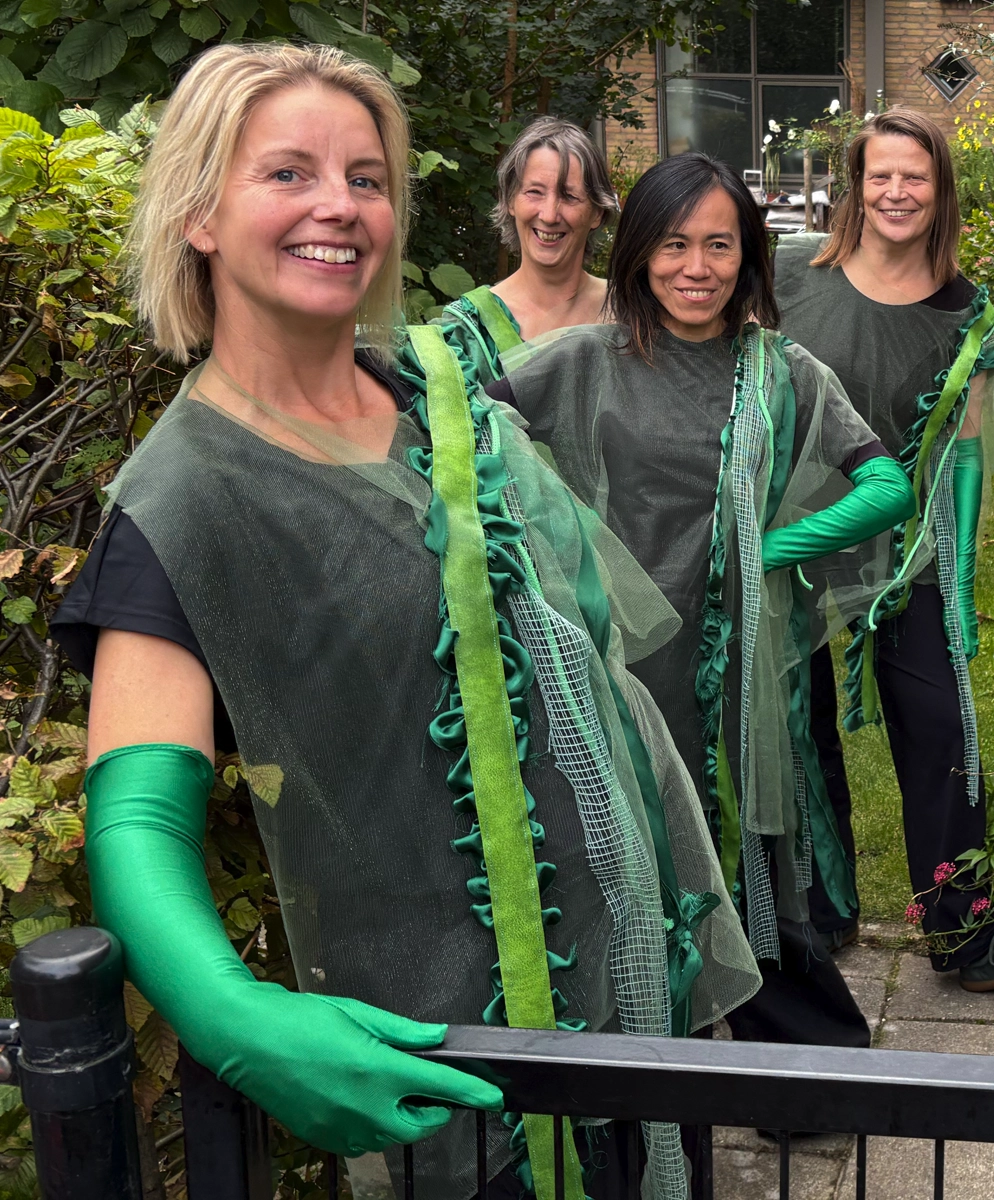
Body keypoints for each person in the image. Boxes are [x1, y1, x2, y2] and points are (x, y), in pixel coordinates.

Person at [63, 43, 759, 1200]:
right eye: (288, 173)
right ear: (199, 213)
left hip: (629, 969)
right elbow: (137, 812)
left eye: (367, 178)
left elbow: (588, 651)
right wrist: (230, 1014)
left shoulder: (437, 397)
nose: (339, 205)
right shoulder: (182, 501)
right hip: (449, 1046)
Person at [474, 152, 916, 1048]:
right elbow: (467, 428)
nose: (697, 268)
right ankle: (651, 1040)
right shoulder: (585, 359)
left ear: (749, 255)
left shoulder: (783, 371)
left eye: (720, 245)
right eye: (674, 244)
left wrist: (765, 552)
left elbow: (887, 487)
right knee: (639, 842)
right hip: (625, 657)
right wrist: (546, 543)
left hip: (744, 662)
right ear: (639, 251)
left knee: (749, 849)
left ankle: (797, 1052)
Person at [774, 107, 994, 990]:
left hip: (903, 551)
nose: (897, 192)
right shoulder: (790, 273)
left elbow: (967, 453)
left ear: (942, 191)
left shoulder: (965, 313)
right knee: (797, 731)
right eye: (880, 175)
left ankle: (965, 938)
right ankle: (820, 915)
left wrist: (963, 576)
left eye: (915, 176)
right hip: (787, 538)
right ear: (855, 186)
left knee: (943, 727)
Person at [432, 116, 616, 387]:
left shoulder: (631, 312)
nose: (549, 215)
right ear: (510, 201)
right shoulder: (469, 330)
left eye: (569, 196)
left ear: (597, 212)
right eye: (534, 192)